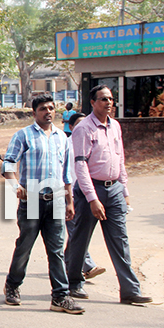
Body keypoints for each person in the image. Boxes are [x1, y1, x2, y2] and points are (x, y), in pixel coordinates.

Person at [65, 85, 153, 305]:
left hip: (113, 190)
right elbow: (81, 165)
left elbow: (119, 158)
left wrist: (124, 189)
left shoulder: (115, 127)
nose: (109, 103)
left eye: (111, 99)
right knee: (80, 240)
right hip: (90, 191)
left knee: (119, 239)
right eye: (103, 99)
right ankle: (74, 283)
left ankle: (130, 290)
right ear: (93, 103)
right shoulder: (84, 129)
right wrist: (92, 198)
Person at [1, 93, 84, 314]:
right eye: (43, 109)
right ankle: (12, 285)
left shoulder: (61, 138)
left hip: (55, 200)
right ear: (34, 112)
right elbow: (8, 163)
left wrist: (69, 201)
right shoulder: (24, 136)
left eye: (51, 108)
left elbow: (66, 173)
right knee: (25, 247)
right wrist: (15, 186)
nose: (48, 112)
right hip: (32, 201)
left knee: (56, 250)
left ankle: (60, 296)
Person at [63, 112, 105, 280]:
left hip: (86, 193)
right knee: (75, 231)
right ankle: (88, 266)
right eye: (80, 124)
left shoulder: (92, 143)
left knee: (77, 231)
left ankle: (69, 262)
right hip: (69, 193)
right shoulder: (64, 145)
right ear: (72, 127)